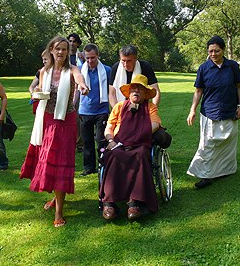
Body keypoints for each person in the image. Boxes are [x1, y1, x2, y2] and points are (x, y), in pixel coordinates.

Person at [20, 36, 89, 228]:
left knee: (61, 163)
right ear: (51, 50)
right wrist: (36, 93)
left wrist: (82, 86)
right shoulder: (44, 71)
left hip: (66, 121)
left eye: (64, 49)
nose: (61, 52)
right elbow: (39, 91)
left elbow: (79, 79)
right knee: (48, 160)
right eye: (57, 49)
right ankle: (55, 199)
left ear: (68, 52)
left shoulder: (73, 69)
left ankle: (59, 211)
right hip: (47, 120)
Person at [186, 36, 240, 189]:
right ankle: (206, 175)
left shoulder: (232, 66)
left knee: (228, 143)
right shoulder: (203, 68)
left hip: (230, 110)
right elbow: (198, 91)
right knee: (207, 145)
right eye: (210, 51)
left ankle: (225, 170)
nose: (213, 54)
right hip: (209, 112)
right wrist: (192, 110)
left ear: (223, 50)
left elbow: (239, 86)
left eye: (216, 51)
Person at [100, 74, 161, 221]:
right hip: (119, 143)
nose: (136, 91)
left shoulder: (150, 107)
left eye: (140, 89)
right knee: (115, 156)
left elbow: (155, 124)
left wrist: (139, 134)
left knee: (140, 155)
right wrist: (110, 140)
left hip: (140, 144)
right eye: (134, 88)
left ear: (146, 93)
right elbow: (109, 127)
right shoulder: (119, 107)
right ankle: (110, 203)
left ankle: (135, 202)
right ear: (129, 92)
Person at [78, 43, 111, 176]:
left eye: (93, 58)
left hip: (101, 111)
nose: (90, 61)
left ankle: (103, 166)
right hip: (84, 110)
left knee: (101, 140)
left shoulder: (107, 70)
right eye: (87, 58)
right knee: (87, 142)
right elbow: (76, 89)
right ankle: (89, 167)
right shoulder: (80, 70)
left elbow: (111, 90)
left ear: (97, 55)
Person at [68, 32, 84, 153]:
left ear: (78, 43)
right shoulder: (64, 56)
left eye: (74, 41)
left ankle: (79, 143)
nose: (72, 43)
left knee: (78, 116)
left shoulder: (82, 57)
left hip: (79, 88)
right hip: (67, 88)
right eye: (70, 41)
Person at [29, 50, 51, 114]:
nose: (43, 62)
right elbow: (31, 86)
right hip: (41, 102)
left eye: (46, 59)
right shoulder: (40, 72)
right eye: (43, 59)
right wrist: (33, 94)